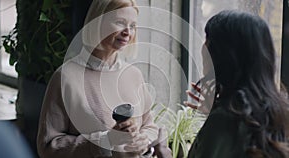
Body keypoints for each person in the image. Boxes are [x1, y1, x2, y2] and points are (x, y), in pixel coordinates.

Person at [37, 0, 159, 157]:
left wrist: (144, 141)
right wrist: (105, 141)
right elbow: (48, 148)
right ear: (97, 22)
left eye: (133, 25)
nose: (128, 31)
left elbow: (149, 125)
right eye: (120, 22)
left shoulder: (134, 74)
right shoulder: (65, 77)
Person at [184, 10, 289, 158]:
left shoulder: (226, 120)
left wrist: (164, 153)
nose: (203, 47)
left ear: (224, 54)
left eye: (208, 39)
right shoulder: (279, 113)